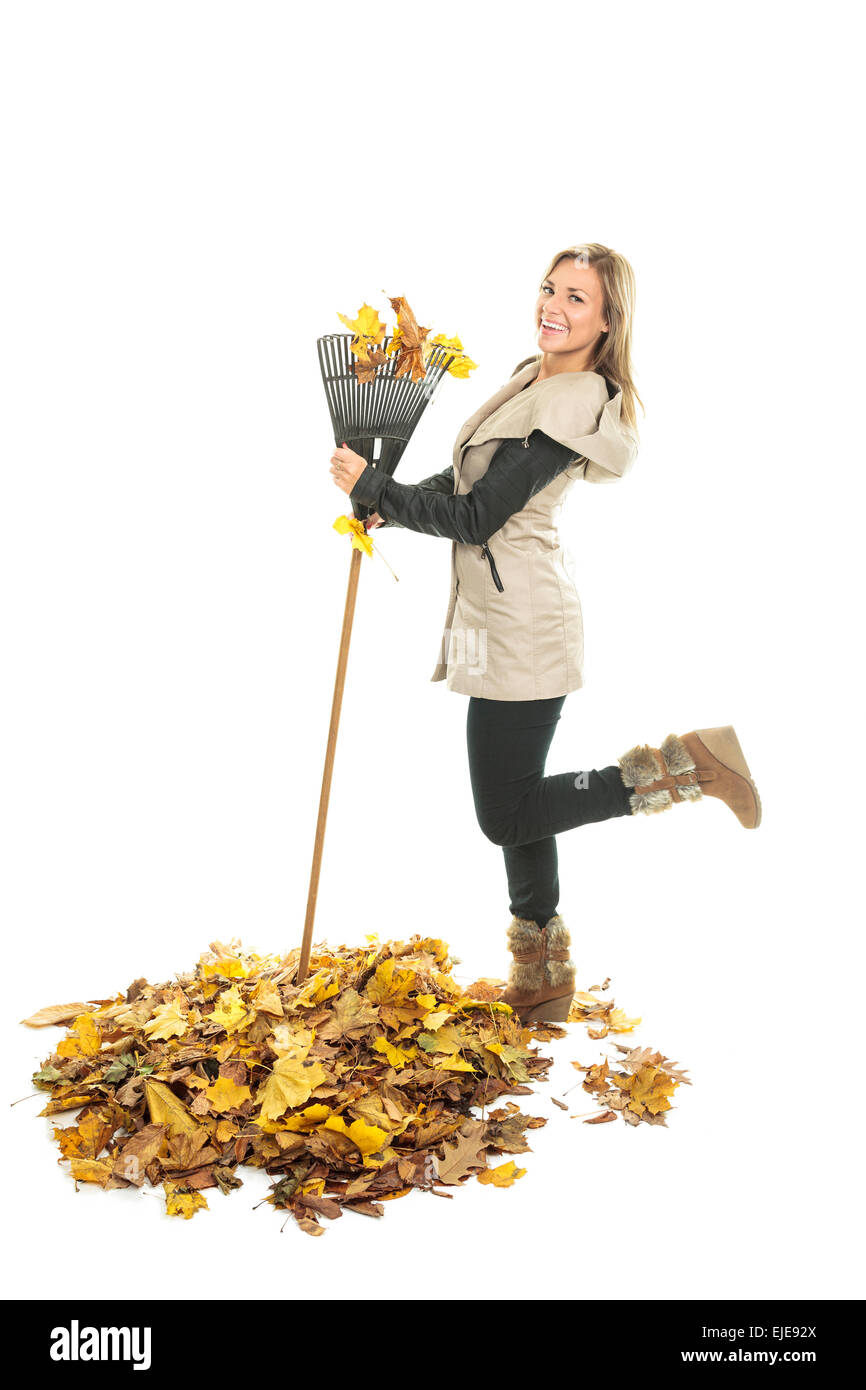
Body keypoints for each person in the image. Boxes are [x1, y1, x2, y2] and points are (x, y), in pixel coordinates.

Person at [329, 243, 761, 1023]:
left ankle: (691, 765)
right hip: (491, 619)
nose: (553, 306)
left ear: (607, 320)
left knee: (505, 813)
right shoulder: (536, 378)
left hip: (525, 626)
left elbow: (476, 517)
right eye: (549, 288)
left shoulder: (571, 401)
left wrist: (376, 485)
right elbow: (466, 486)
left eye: (576, 298)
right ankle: (542, 976)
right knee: (518, 800)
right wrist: (387, 501)